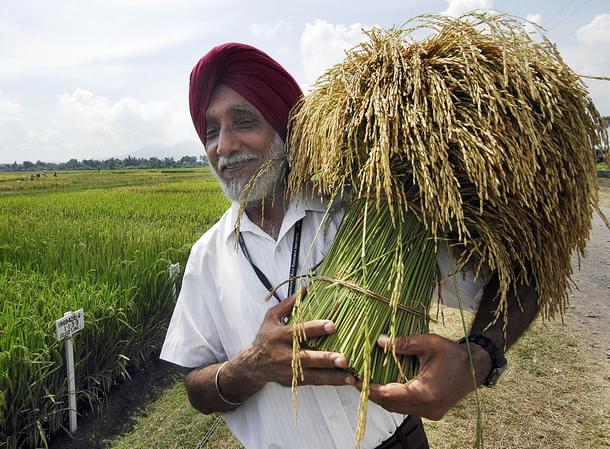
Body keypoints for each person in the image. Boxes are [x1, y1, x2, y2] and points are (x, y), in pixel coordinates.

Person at [160, 43, 539, 449]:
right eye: (211, 130)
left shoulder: (371, 211)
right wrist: (249, 367)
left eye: (244, 121)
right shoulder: (207, 256)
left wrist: (478, 358)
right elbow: (196, 388)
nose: (225, 146)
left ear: (286, 128)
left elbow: (523, 277)